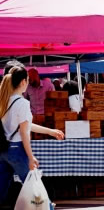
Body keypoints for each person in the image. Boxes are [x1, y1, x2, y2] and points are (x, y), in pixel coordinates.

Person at [0, 65, 65, 205]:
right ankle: (47, 207)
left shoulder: (4, 101)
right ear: (23, 81)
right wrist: (30, 157)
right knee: (35, 186)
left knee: (1, 188)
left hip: (3, 149)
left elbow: (24, 126)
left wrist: (50, 131)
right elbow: (24, 132)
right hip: (17, 149)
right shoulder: (22, 103)